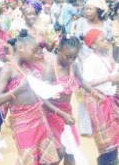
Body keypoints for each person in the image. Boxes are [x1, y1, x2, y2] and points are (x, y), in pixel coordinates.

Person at [0, 29, 66, 164]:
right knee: (28, 159)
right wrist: (20, 88)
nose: (37, 55)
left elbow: (35, 91)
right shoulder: (8, 69)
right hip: (22, 120)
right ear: (20, 48)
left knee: (53, 156)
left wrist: (47, 92)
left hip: (38, 116)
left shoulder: (28, 68)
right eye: (34, 51)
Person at [42, 34, 104, 165]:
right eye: (68, 56)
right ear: (58, 50)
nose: (71, 60)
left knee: (71, 150)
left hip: (66, 113)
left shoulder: (73, 66)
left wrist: (93, 92)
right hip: (52, 113)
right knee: (59, 151)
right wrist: (60, 114)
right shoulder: (50, 69)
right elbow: (42, 99)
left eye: (74, 57)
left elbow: (82, 81)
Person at [74, 0, 113, 137]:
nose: (86, 11)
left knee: (104, 89)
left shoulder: (107, 23)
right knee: (86, 92)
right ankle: (85, 128)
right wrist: (83, 61)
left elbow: (108, 44)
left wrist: (110, 60)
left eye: (90, 9)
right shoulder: (81, 23)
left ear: (98, 10)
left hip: (103, 60)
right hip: (85, 60)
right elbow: (77, 45)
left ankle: (103, 123)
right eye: (86, 8)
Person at [82, 29, 119, 165]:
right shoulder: (90, 61)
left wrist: (113, 69)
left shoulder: (107, 58)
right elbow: (87, 82)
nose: (107, 42)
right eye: (102, 40)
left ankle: (111, 161)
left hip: (109, 99)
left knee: (113, 140)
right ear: (94, 45)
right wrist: (109, 77)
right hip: (99, 101)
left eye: (106, 39)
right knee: (106, 142)